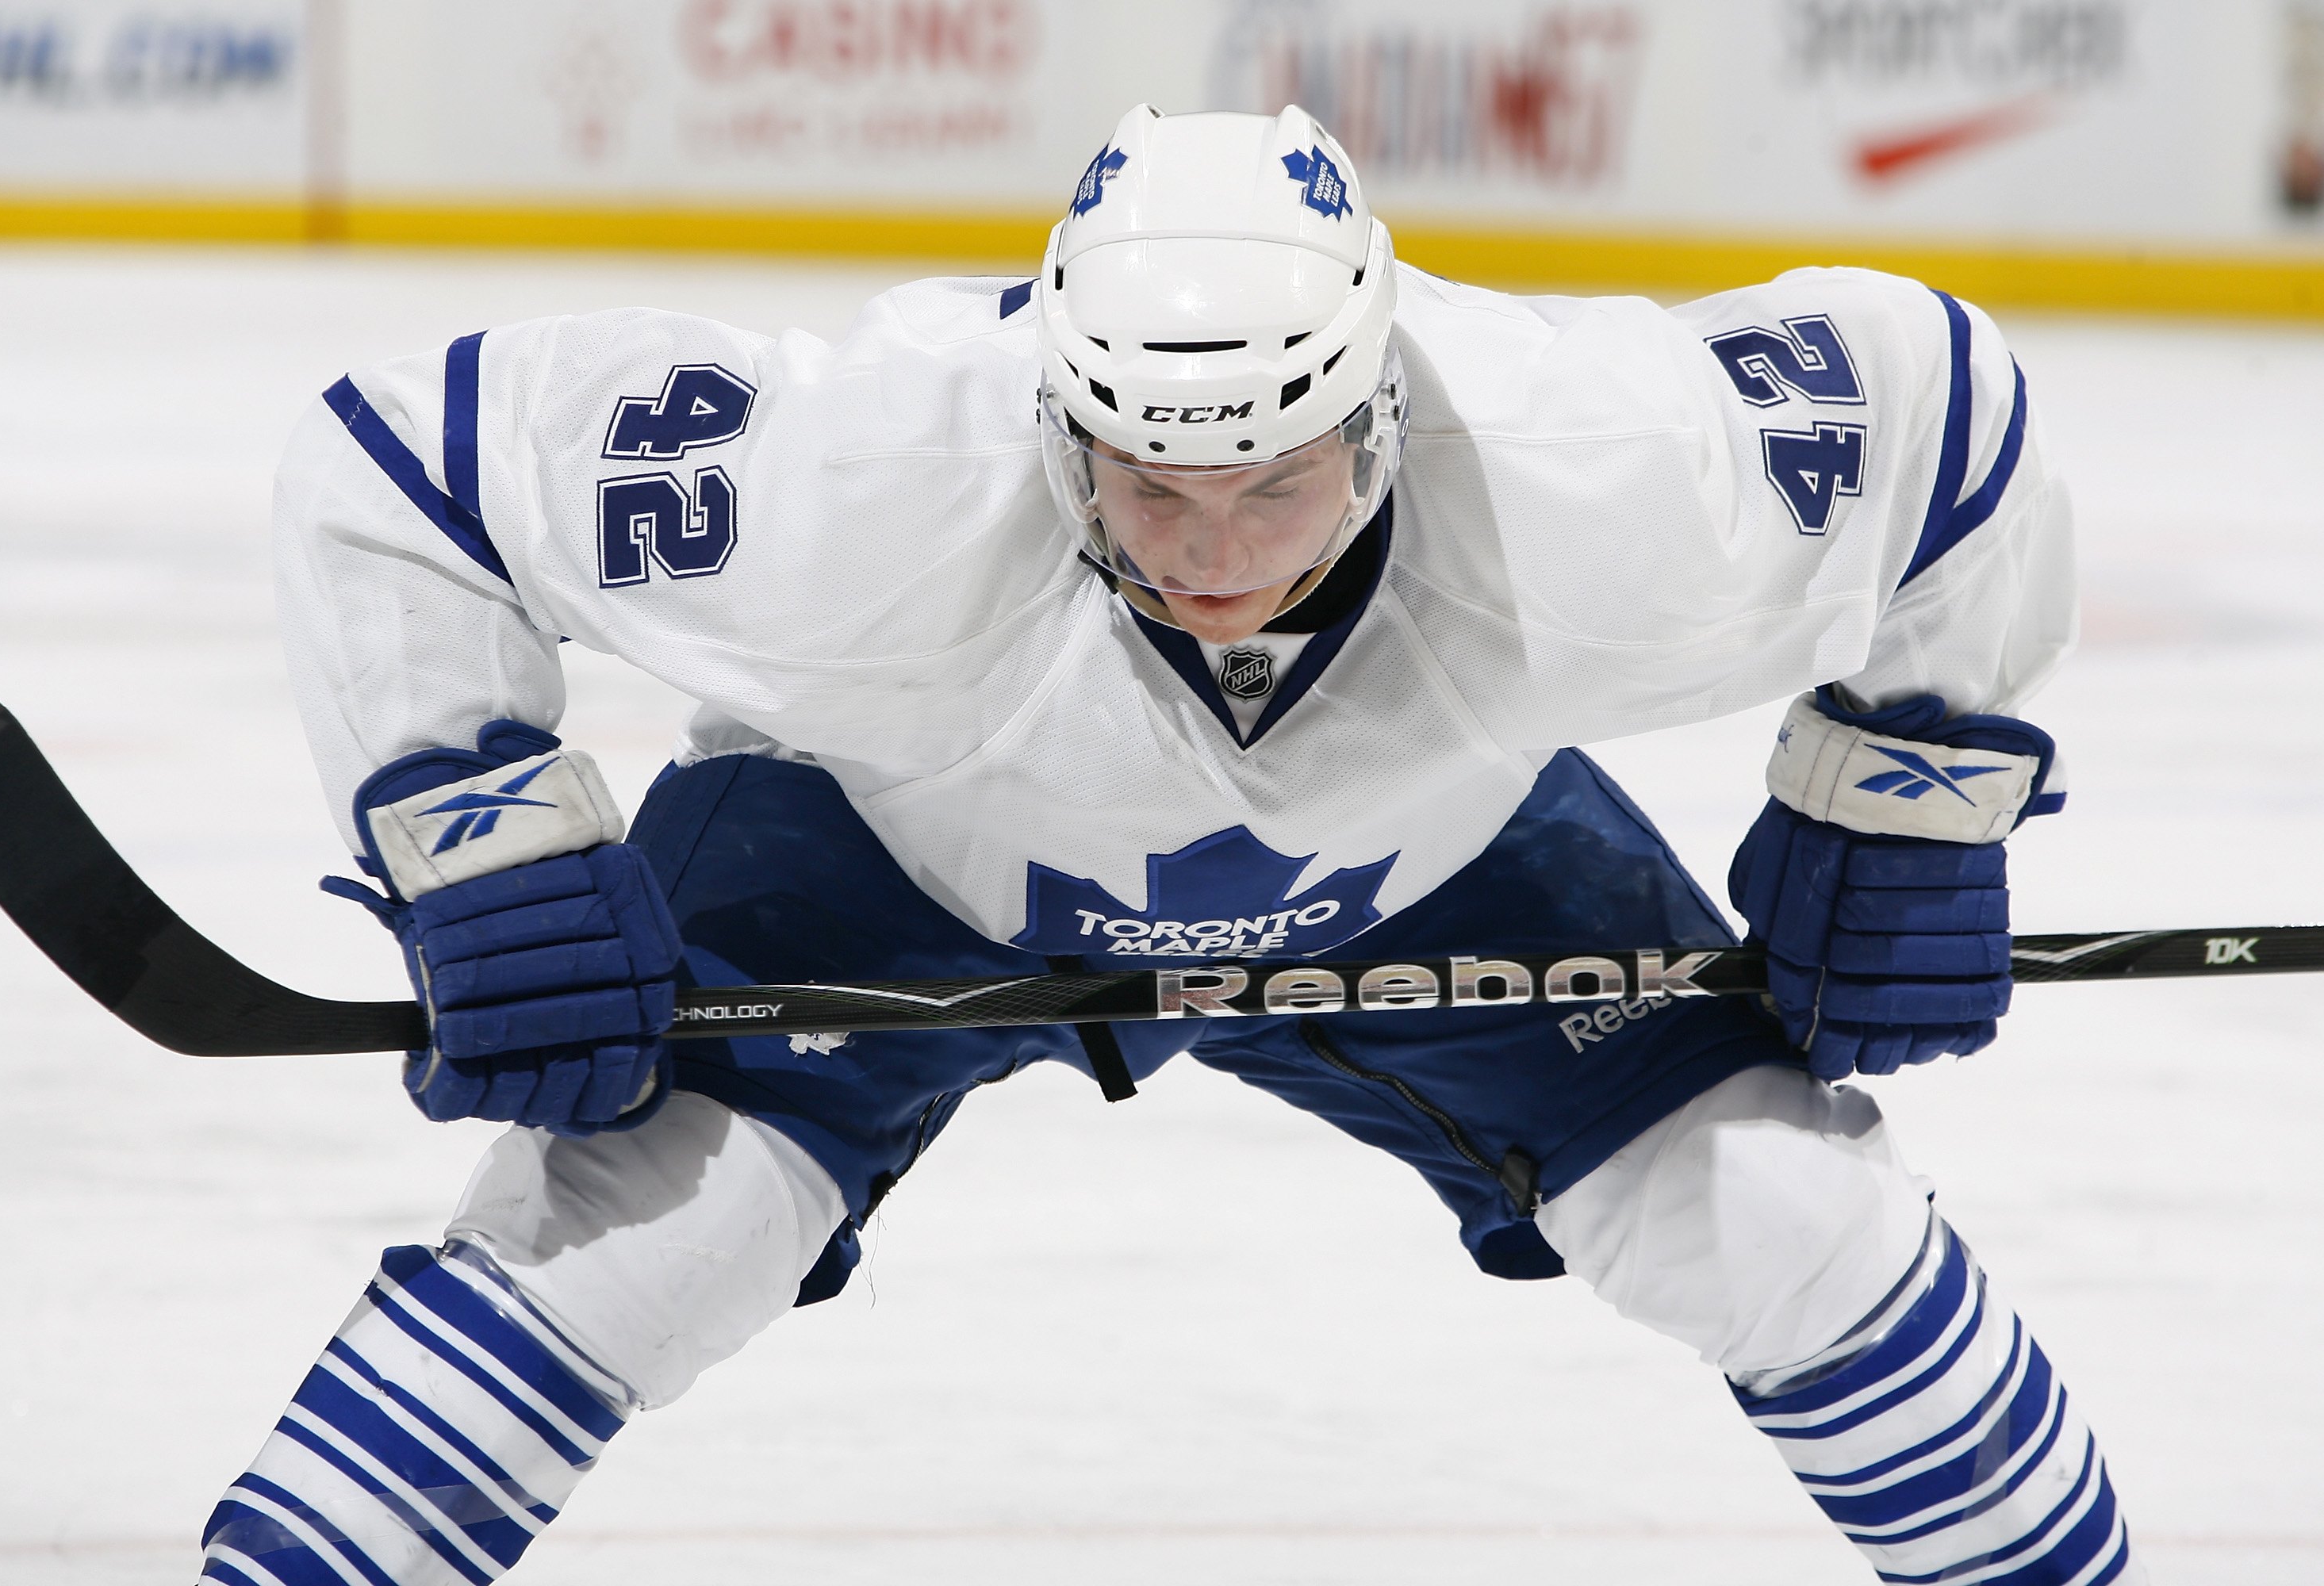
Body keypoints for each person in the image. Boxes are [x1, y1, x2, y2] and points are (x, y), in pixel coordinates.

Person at [197, 105, 2134, 1585]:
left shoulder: (1598, 466)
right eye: (1153, 483)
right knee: (615, 1259)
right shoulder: (856, 472)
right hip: (891, 848)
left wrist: (1913, 792)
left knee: (1807, 1228)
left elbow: (1942, 416)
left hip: (1437, 854)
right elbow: (396, 468)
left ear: (1375, 418)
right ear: (1060, 424)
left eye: (1272, 481)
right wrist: (487, 842)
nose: (1212, 554)